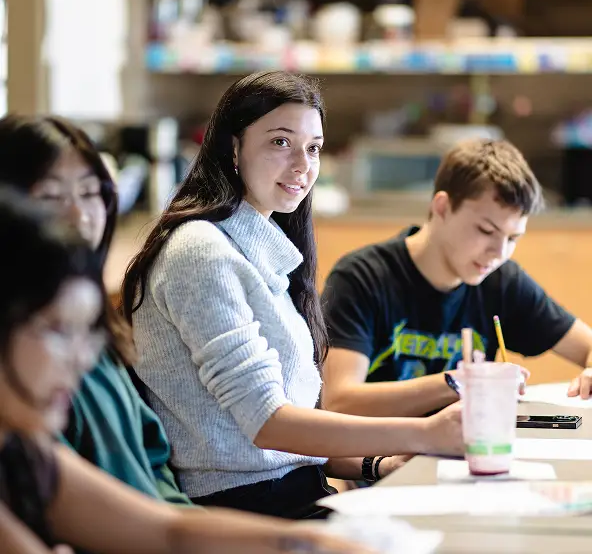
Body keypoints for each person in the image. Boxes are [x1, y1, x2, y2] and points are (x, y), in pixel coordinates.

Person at [122, 70, 463, 520]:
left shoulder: (258, 247)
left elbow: (287, 446)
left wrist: (376, 463)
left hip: (291, 494)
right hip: (240, 513)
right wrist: (424, 433)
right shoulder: (200, 251)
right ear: (233, 148)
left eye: (314, 147)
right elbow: (268, 425)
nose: (303, 165)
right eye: (281, 142)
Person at [0, 186, 375, 554]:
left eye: (87, 334)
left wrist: (307, 543)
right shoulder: (196, 251)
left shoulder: (24, 456)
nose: (83, 360)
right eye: (57, 330)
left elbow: (168, 531)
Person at [321, 138, 592, 421]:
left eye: (513, 238)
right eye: (486, 231)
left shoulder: (501, 280)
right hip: (380, 458)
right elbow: (338, 401)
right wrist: (457, 382)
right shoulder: (361, 278)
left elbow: (588, 346)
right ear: (442, 207)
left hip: (463, 453)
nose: (499, 253)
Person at [0, 114, 193, 504]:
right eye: (50, 197)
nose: (79, 216)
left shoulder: (96, 330)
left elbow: (153, 460)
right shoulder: (22, 358)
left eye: (90, 194)